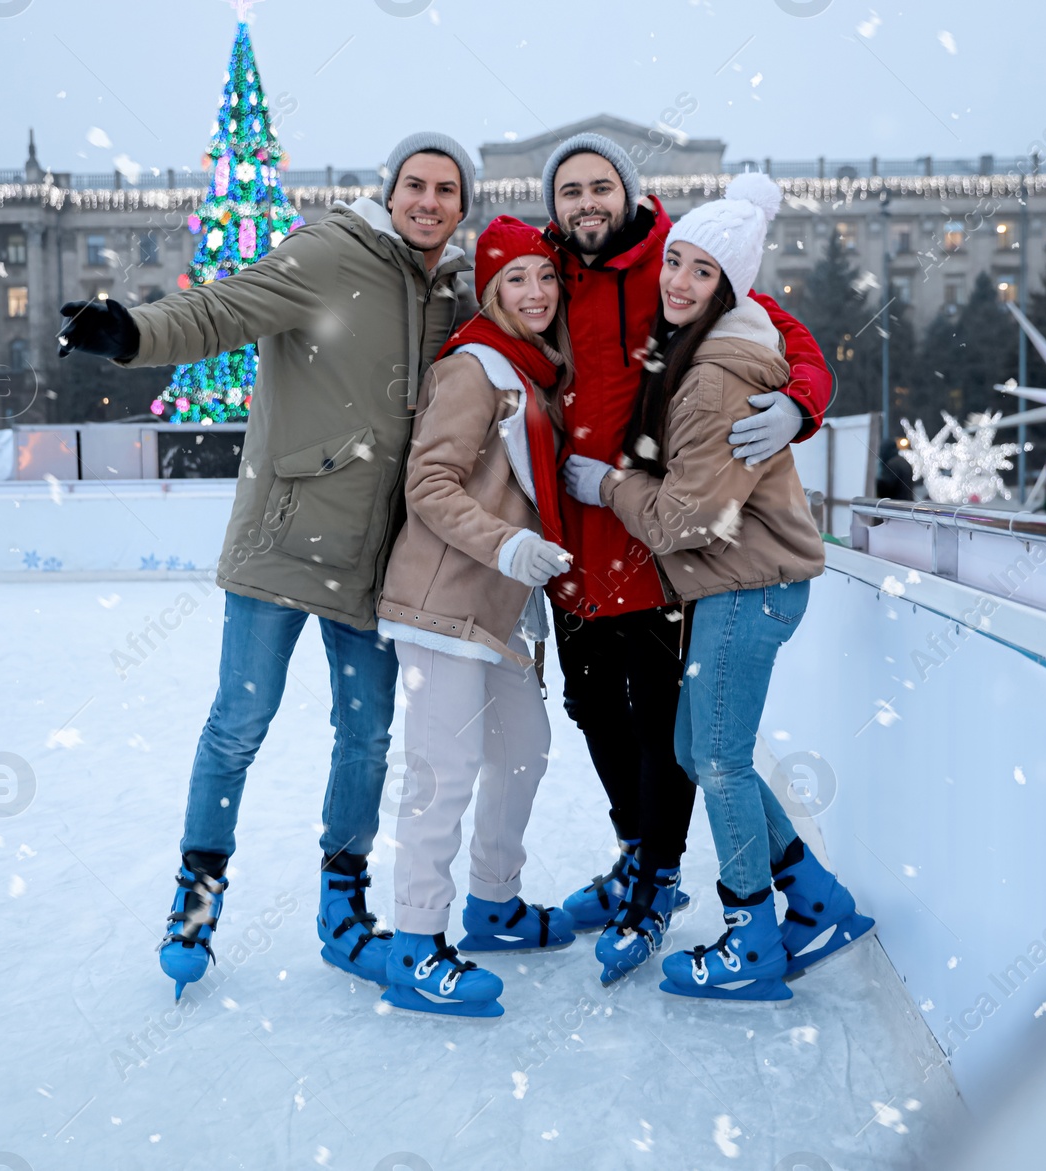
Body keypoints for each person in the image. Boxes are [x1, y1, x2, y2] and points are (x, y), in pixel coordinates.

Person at [56, 132, 476, 1000]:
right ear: (388, 190)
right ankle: (197, 897)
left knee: (365, 734)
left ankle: (342, 905)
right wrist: (131, 331)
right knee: (239, 723)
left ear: (463, 205)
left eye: (446, 190)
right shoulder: (327, 253)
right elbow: (220, 310)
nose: (428, 201)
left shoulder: (453, 294)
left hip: (375, 558)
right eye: (415, 185)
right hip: (283, 539)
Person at [563, 174, 874, 1001]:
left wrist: (605, 486)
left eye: (701, 271)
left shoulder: (716, 373)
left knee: (721, 763)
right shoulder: (709, 346)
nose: (677, 281)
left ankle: (750, 940)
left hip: (746, 584)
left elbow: (683, 521)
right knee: (694, 752)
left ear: (728, 286)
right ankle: (813, 898)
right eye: (675, 261)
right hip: (737, 585)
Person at [373, 218, 577, 1018]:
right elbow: (429, 482)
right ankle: (416, 942)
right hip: (444, 599)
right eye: (516, 280)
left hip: (500, 607)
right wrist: (509, 544)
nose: (534, 293)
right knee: (441, 774)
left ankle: (494, 902)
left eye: (545, 278)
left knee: (524, 750)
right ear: (491, 291)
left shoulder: (538, 371)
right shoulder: (473, 367)